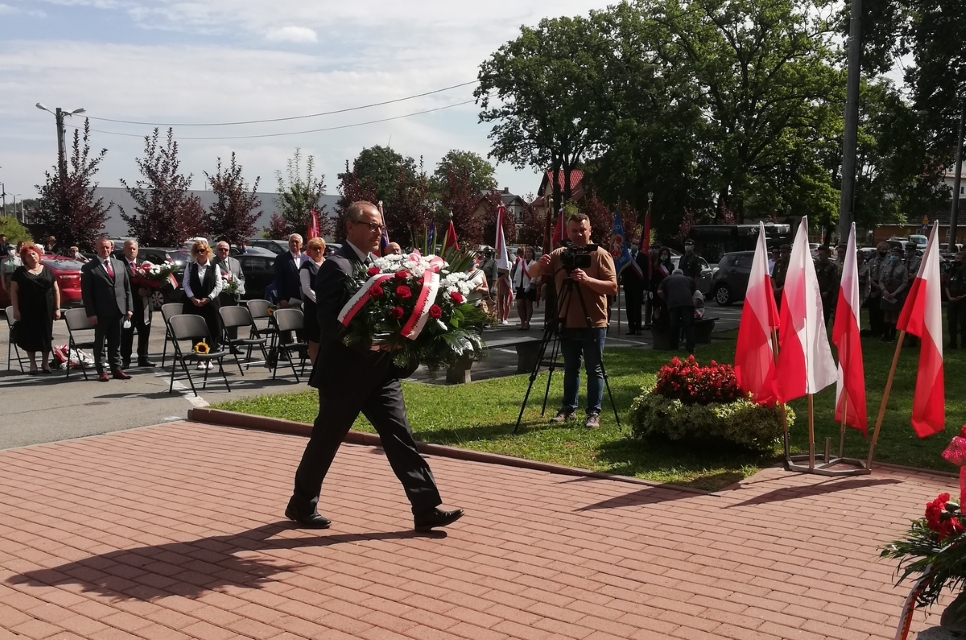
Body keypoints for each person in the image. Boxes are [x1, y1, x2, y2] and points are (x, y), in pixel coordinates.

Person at [290, 200, 464, 532]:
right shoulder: (336, 267)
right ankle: (301, 504)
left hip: (380, 374)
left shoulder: (380, 265)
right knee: (326, 441)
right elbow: (330, 324)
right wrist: (373, 342)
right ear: (350, 227)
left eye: (380, 226)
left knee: (401, 437)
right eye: (371, 225)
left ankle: (426, 507)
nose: (378, 232)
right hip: (343, 375)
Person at [528, 213, 618, 429]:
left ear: (590, 230)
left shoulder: (600, 255)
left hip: (594, 322)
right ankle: (568, 408)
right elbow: (533, 273)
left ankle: (593, 412)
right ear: (568, 232)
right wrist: (539, 265)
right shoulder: (560, 254)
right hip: (567, 320)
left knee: (594, 369)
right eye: (574, 231)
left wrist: (587, 280)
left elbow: (612, 287)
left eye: (582, 230)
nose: (578, 234)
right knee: (570, 368)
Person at [81, 236, 133, 381]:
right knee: (100, 342)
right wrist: (91, 313)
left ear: (111, 248)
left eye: (107, 247)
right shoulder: (89, 267)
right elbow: (86, 293)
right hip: (100, 312)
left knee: (116, 342)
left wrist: (129, 308)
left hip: (119, 310)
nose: (105, 250)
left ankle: (116, 369)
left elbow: (127, 288)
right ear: (96, 248)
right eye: (101, 247)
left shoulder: (119, 264)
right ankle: (102, 370)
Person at [10, 243, 61, 374]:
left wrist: (57, 308)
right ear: (24, 259)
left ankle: (45, 363)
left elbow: (56, 290)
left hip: (46, 308)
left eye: (34, 254)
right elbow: (13, 291)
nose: (32, 256)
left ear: (39, 255)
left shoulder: (48, 270)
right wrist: (16, 310)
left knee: (46, 335)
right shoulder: (20, 272)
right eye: (28, 255)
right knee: (30, 335)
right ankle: (32, 364)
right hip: (27, 309)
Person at [182, 240, 224, 370]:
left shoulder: (214, 266)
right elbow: (185, 284)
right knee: (197, 331)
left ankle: (209, 357)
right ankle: (200, 359)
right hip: (194, 304)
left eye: (202, 250)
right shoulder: (190, 266)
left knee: (212, 330)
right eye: (197, 251)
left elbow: (219, 285)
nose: (200, 253)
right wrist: (192, 298)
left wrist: (209, 298)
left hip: (210, 303)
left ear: (207, 251)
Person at [119, 240, 155, 369]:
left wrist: (150, 290)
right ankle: (125, 359)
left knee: (144, 332)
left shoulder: (145, 264)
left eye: (134, 248)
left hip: (145, 305)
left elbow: (155, 281)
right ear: (124, 250)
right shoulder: (119, 265)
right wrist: (136, 292)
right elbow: (120, 285)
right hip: (128, 306)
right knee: (127, 333)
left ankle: (143, 357)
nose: (132, 251)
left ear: (137, 250)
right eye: (129, 248)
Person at [213, 241, 246, 344]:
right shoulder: (212, 262)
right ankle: (218, 344)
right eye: (221, 249)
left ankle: (234, 345)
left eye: (226, 249)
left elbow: (242, 277)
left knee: (233, 323)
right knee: (218, 323)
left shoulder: (235, 262)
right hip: (219, 298)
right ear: (216, 250)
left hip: (234, 298)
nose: (223, 251)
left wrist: (238, 285)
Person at [658, 268, 697, 353]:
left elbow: (660, 292)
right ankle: (690, 346)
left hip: (673, 303)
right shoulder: (688, 279)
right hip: (687, 303)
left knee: (674, 325)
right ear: (682, 274)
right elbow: (694, 289)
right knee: (689, 325)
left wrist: (666, 300)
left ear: (673, 274)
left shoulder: (666, 279)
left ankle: (673, 346)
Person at [300, 237, 326, 364]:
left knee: (326, 337)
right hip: (313, 307)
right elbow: (306, 288)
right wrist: (320, 301)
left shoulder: (328, 264)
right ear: (310, 250)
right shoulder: (306, 266)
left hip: (327, 307)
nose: (317, 251)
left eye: (319, 248)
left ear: (324, 249)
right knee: (314, 339)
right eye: (314, 248)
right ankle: (315, 367)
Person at [878, 245, 908, 342]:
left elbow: (905, 282)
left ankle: (892, 336)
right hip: (886, 292)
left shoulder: (903, 268)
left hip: (896, 293)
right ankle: (886, 335)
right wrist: (883, 290)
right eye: (892, 255)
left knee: (894, 315)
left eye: (896, 255)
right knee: (886, 314)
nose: (893, 257)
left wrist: (896, 292)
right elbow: (881, 281)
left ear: (900, 256)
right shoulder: (886, 267)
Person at [620, 243, 646, 335]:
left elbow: (645, 272)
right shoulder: (626, 256)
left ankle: (638, 327)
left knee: (637, 307)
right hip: (628, 286)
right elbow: (623, 270)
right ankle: (631, 327)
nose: (634, 245)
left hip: (638, 287)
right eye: (633, 243)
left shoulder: (643, 257)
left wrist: (646, 288)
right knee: (629, 308)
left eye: (636, 244)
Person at [274, 233, 305, 308]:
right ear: (289, 244)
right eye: (292, 242)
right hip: (288, 298)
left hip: (305, 298)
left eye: (296, 242)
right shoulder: (281, 259)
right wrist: (282, 298)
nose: (294, 244)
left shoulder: (307, 259)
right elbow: (279, 279)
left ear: (301, 245)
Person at [510, 246, 537, 330]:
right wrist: (514, 282)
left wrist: (531, 283)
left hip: (529, 286)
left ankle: (527, 322)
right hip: (520, 286)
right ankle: (522, 321)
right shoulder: (521, 262)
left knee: (528, 305)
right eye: (527, 252)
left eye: (530, 252)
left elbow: (535, 274)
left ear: (532, 254)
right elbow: (517, 273)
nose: (528, 254)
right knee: (519, 305)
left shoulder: (534, 263)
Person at [867, 241, 890, 338]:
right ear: (878, 250)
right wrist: (875, 286)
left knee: (882, 310)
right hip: (873, 285)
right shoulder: (872, 261)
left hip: (884, 286)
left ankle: (881, 329)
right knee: (873, 309)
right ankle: (873, 329)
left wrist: (881, 287)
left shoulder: (889, 262)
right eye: (882, 249)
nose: (884, 251)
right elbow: (868, 275)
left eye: (886, 250)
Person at [814, 245, 839, 325]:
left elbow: (834, 281)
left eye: (822, 255)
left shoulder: (832, 267)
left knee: (825, 314)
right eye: (819, 255)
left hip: (826, 295)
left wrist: (828, 291)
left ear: (827, 254)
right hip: (817, 293)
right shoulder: (817, 265)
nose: (820, 257)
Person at [946, 251, 966, 349]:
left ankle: (964, 343)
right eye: (955, 258)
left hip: (963, 299)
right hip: (952, 298)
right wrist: (949, 297)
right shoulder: (953, 270)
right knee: (951, 321)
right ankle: (952, 343)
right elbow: (947, 286)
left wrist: (963, 296)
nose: (956, 260)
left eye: (958, 259)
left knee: (963, 322)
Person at [650, 248, 674, 327]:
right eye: (662, 254)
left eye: (665, 254)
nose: (663, 256)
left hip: (666, 290)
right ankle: (657, 322)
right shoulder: (655, 266)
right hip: (657, 289)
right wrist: (650, 290)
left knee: (665, 306)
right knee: (656, 306)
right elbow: (652, 279)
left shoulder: (671, 266)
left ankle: (666, 323)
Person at [772, 244, 791, 309]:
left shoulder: (791, 263)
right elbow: (773, 277)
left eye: (784, 252)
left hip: (787, 289)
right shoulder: (778, 262)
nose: (782, 254)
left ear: (789, 252)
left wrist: (780, 289)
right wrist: (775, 289)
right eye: (781, 252)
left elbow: (792, 280)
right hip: (777, 288)